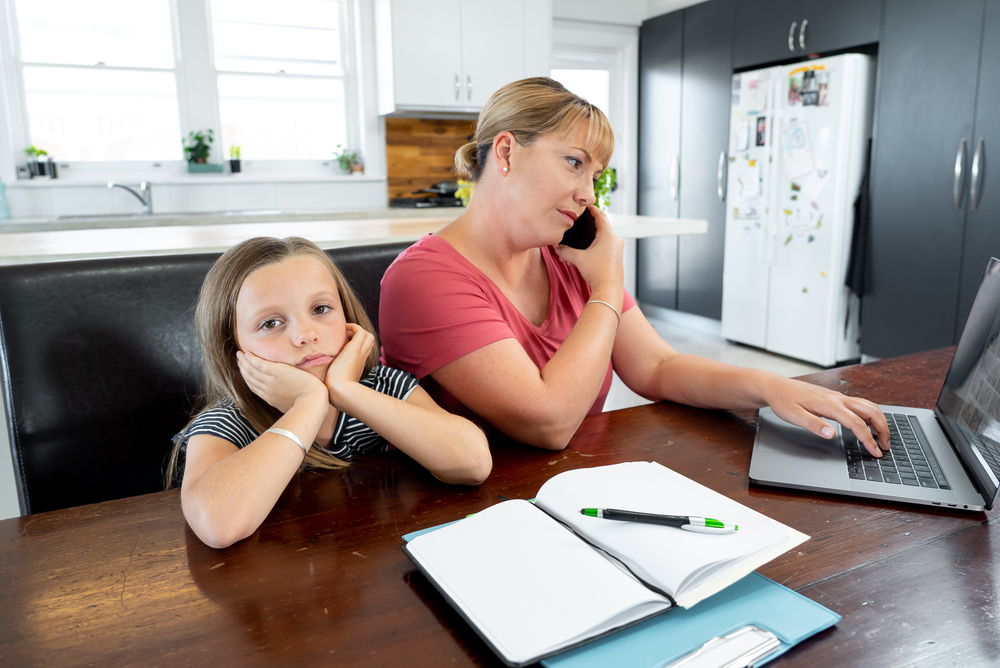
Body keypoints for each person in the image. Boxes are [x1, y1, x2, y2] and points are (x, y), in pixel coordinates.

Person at [379, 76, 889, 458]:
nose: (588, 194)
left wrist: (771, 386)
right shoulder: (422, 279)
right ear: (507, 152)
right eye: (575, 163)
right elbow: (549, 421)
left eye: (597, 175)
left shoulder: (566, 257)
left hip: (571, 492)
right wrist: (606, 285)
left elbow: (658, 367)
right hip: (466, 520)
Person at [168, 237, 490, 549]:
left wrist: (345, 391)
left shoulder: (383, 387)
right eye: (270, 324)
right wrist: (308, 403)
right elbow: (218, 525)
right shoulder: (227, 421)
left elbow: (473, 463)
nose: (306, 334)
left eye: (321, 309)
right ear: (234, 348)